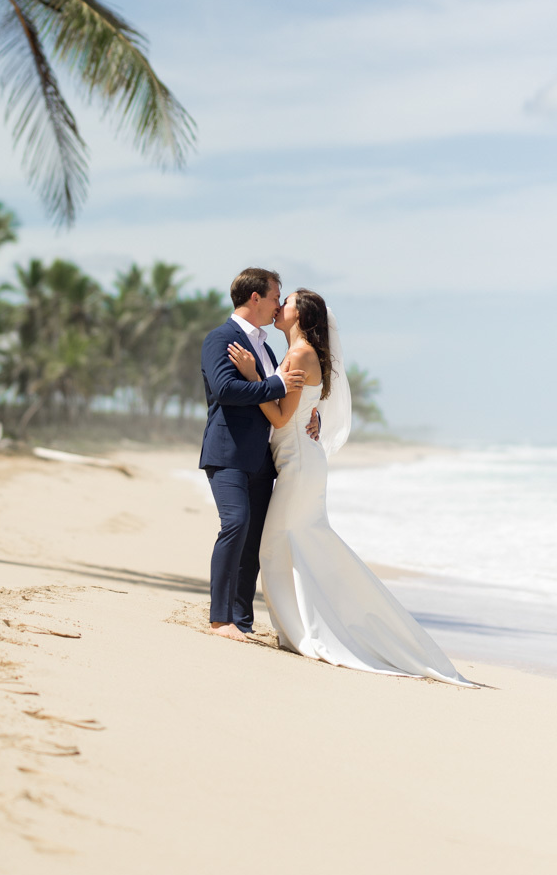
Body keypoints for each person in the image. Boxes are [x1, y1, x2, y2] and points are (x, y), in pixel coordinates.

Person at [232, 287, 473, 683]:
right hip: (300, 461)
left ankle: (308, 629)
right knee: (299, 543)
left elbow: (278, 418)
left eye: (286, 302)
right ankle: (303, 626)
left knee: (281, 545)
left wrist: (253, 377)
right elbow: (305, 408)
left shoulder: (299, 353)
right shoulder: (296, 352)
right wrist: (314, 417)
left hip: (298, 464)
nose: (278, 306)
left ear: (301, 315)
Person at [199, 267, 318, 642]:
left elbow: (286, 399)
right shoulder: (220, 338)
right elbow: (225, 389)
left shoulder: (266, 348)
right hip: (228, 452)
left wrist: (312, 413)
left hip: (263, 459)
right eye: (273, 298)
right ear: (255, 298)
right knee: (235, 525)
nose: (276, 305)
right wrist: (274, 383)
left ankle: (242, 620)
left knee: (253, 540)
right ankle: (220, 620)